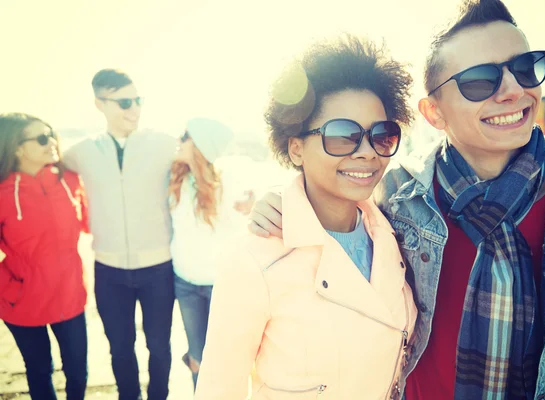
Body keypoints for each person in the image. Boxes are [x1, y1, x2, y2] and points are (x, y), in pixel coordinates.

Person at [248, 1, 545, 399]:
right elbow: (331, 201)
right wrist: (283, 200)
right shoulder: (395, 195)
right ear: (434, 112)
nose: (514, 91)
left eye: (525, 68)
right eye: (480, 81)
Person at [195, 36, 417, 399]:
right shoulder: (254, 258)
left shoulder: (397, 233)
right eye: (343, 136)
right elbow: (220, 387)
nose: (367, 152)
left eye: (381, 135)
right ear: (296, 148)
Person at [63, 69, 177, 400]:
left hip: (159, 268)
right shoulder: (80, 152)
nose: (135, 109)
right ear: (100, 103)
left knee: (159, 345)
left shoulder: (164, 143)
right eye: (125, 102)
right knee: (120, 347)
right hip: (108, 270)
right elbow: (44, 173)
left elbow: (208, 167)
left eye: (138, 100)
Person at [0, 113, 89, 400]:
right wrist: (10, 288)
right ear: (16, 147)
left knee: (78, 371)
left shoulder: (70, 180)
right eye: (41, 138)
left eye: (51, 135)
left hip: (70, 298)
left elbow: (91, 223)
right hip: (22, 303)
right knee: (39, 371)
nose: (51, 142)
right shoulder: (2, 193)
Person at [169, 117, 254, 389]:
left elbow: (252, 207)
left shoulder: (227, 180)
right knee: (197, 356)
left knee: (224, 358)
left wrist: (254, 201)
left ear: (201, 144)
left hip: (222, 285)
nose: (179, 141)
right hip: (185, 283)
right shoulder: (175, 179)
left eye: (185, 136)